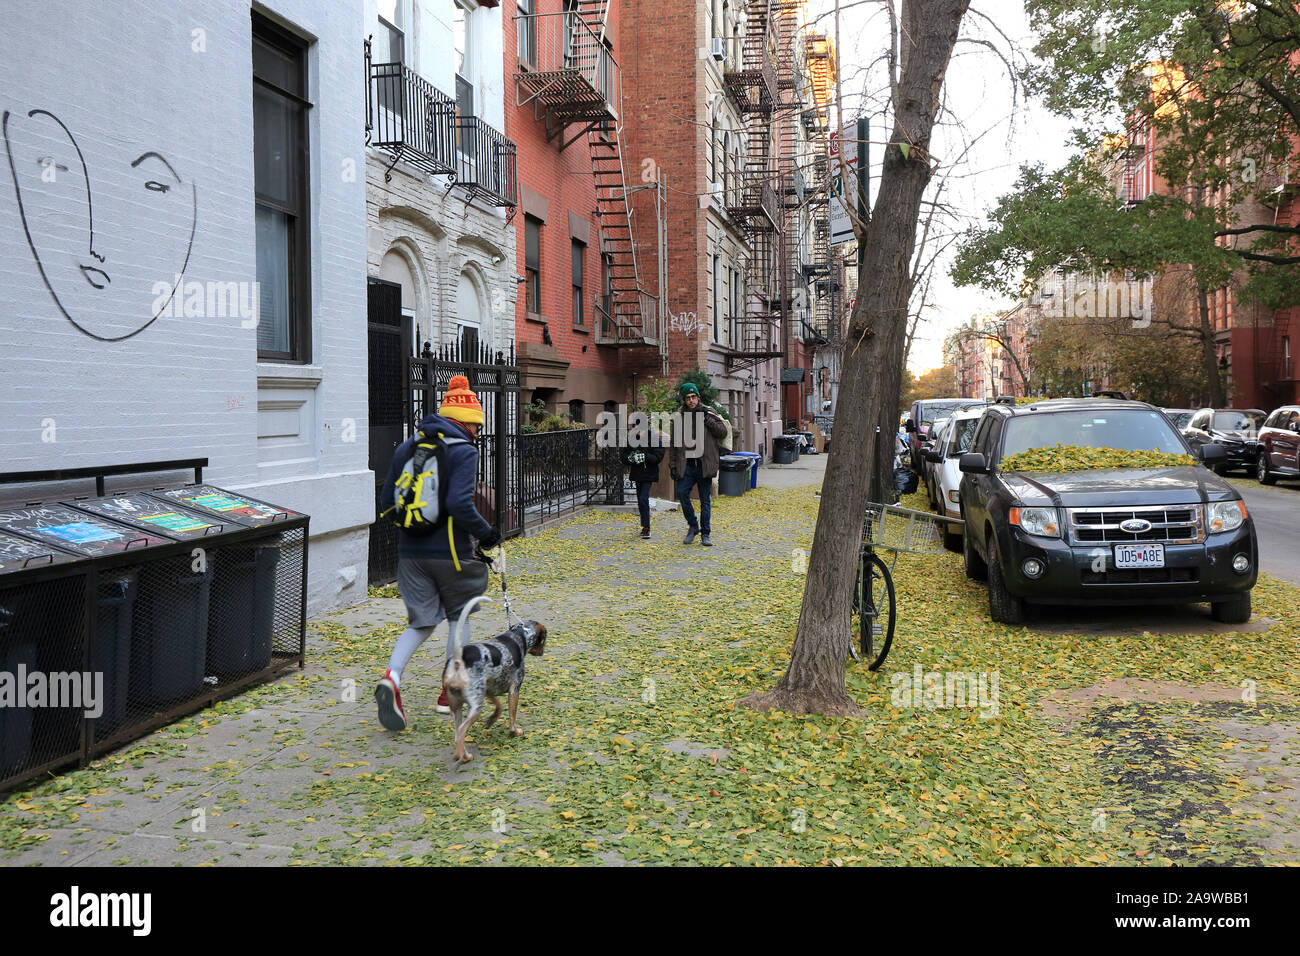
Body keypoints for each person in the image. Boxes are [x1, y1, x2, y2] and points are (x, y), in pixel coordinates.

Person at [374, 374, 501, 729]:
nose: (477, 434)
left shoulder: (407, 447)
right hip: (452, 551)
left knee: (421, 622)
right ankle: (449, 693)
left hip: (410, 554)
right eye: (476, 426)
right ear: (466, 422)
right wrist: (486, 533)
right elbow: (460, 503)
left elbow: (386, 501)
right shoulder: (463, 450)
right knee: (460, 616)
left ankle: (392, 678)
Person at [668, 383, 730, 546]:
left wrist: (707, 419)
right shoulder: (679, 417)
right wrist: (673, 465)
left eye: (693, 397)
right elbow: (674, 443)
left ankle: (706, 533)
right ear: (684, 400)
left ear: (698, 397)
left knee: (705, 501)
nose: (691, 400)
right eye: (688, 398)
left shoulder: (708, 412)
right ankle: (693, 527)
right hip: (687, 464)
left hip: (704, 463)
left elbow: (722, 432)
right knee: (682, 493)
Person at [620, 422, 665, 538]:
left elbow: (658, 456)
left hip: (649, 473)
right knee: (640, 500)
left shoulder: (653, 438)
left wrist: (645, 456)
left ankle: (646, 528)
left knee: (644, 498)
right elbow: (623, 456)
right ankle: (644, 526)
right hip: (637, 474)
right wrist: (631, 458)